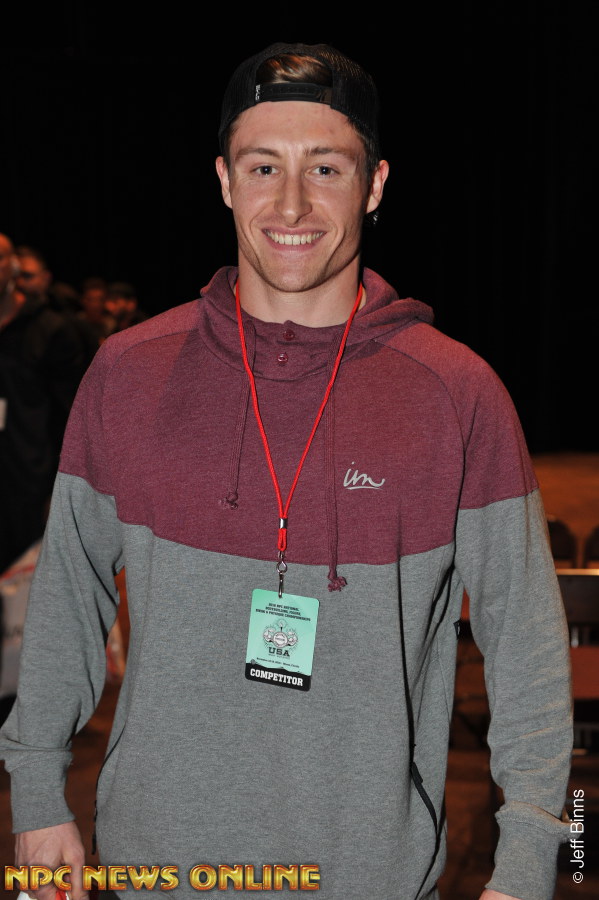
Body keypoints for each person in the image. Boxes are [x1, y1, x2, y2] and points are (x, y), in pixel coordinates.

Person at [0, 44, 571, 900]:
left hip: (368, 876)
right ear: (225, 181)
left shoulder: (457, 394)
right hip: (156, 867)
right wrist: (38, 787)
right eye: (263, 166)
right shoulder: (127, 372)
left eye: (325, 168)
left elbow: (526, 641)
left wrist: (534, 861)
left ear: (374, 185)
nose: (292, 203)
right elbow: (66, 597)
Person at [0, 238, 85, 574]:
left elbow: (72, 419)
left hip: (26, 489)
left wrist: (60, 492)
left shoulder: (50, 329)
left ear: (13, 268)